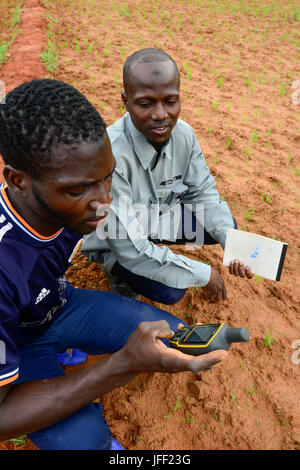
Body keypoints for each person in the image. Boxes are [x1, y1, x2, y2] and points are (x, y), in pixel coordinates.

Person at [0, 78, 227, 451]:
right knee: (85, 442)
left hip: (57, 306)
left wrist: (207, 262)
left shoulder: (83, 203)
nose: (103, 201)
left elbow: (137, 245)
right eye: (79, 190)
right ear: (18, 181)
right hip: (17, 342)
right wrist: (120, 365)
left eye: (107, 179)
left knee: (176, 337)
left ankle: (59, 343)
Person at [82, 48, 253, 305]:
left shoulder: (184, 135)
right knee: (170, 291)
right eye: (146, 103)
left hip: (157, 218)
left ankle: (158, 252)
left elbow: (202, 192)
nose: (161, 114)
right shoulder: (109, 154)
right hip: (115, 240)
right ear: (126, 101)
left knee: (226, 226)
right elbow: (128, 244)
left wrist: (230, 241)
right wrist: (203, 273)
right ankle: (118, 276)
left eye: (170, 101)